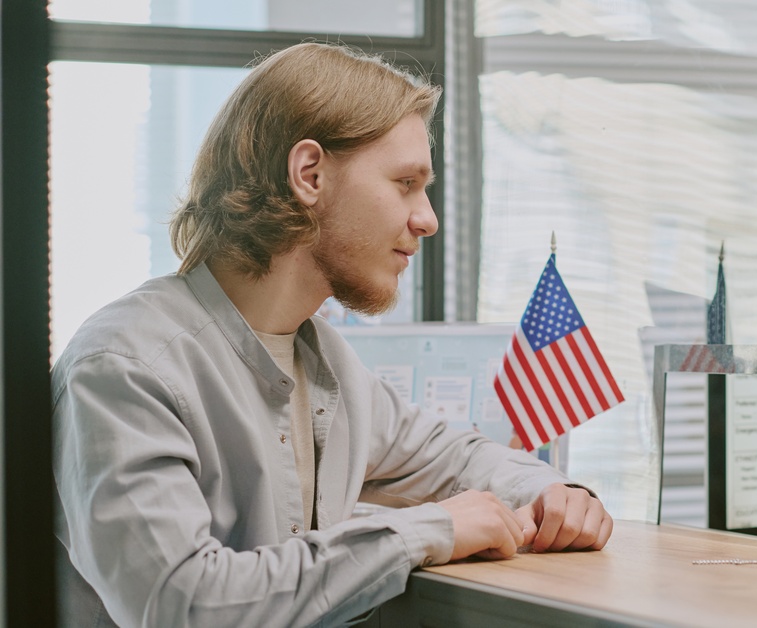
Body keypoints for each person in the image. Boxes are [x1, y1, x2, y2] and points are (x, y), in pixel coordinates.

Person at [53, 42, 613, 627]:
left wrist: (556, 495)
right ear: (309, 175)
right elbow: (184, 604)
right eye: (405, 183)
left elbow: (457, 458)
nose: (428, 219)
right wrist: (424, 531)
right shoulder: (124, 368)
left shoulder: (324, 363)